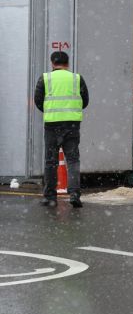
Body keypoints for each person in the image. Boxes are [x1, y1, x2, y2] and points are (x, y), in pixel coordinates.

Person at [33, 51, 89, 208]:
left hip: (52, 125)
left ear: (52, 63)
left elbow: (38, 101)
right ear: (68, 64)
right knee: (72, 160)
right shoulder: (77, 78)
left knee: (51, 161)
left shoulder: (45, 78)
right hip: (72, 124)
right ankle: (74, 194)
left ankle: (50, 197)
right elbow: (85, 101)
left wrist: (52, 111)